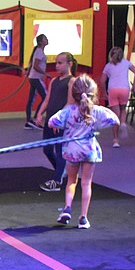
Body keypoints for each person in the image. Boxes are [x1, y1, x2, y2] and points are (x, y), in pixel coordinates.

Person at [49, 74, 119, 229]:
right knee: (86, 183)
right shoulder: (96, 111)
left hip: (72, 150)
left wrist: (59, 126)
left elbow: (51, 121)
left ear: (73, 93)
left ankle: (67, 208)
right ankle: (83, 218)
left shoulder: (68, 111)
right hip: (89, 150)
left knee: (71, 181)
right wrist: (98, 121)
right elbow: (115, 120)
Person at [36, 52, 77, 192]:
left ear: (69, 64)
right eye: (56, 63)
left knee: (60, 151)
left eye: (60, 63)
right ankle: (60, 171)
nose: (57, 66)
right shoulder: (54, 81)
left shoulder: (72, 81)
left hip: (61, 123)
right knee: (47, 149)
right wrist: (39, 113)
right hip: (50, 121)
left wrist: (58, 120)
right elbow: (47, 100)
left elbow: (70, 103)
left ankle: (57, 180)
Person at [100, 46, 135, 148]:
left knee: (114, 115)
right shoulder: (126, 63)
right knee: (123, 109)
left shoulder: (108, 66)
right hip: (124, 89)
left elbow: (102, 81)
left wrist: (104, 93)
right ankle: (123, 123)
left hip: (113, 90)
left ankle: (115, 140)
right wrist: (134, 85)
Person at [24, 34, 49, 129]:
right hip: (36, 78)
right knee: (46, 98)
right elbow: (35, 65)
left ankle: (29, 121)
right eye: (45, 39)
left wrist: (28, 72)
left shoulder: (38, 51)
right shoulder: (39, 51)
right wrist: (45, 73)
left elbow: (33, 64)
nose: (47, 40)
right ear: (41, 42)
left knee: (31, 99)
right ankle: (35, 119)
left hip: (34, 78)